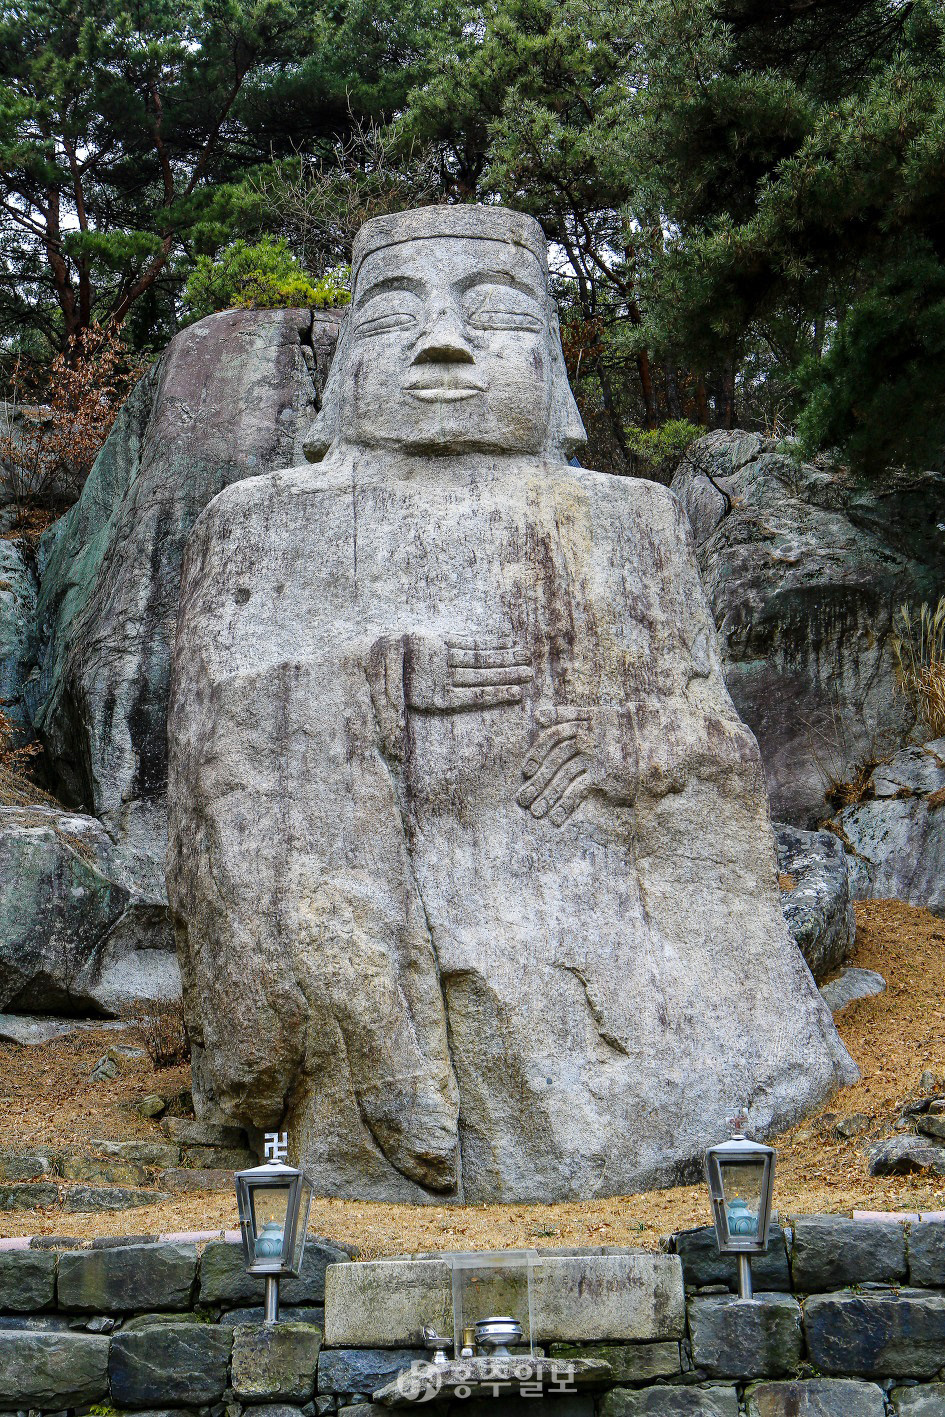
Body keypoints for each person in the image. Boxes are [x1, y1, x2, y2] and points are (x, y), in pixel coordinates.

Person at [168, 206, 856, 1202]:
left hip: (589, 906)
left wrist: (637, 751)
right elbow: (210, 751)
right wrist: (377, 680)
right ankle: (390, 1061)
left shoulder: (632, 523)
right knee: (296, 845)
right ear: (345, 360)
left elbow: (715, 741)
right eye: (395, 314)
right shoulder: (262, 524)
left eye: (496, 313)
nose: (444, 341)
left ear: (554, 366)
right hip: (368, 911)